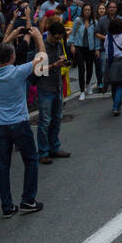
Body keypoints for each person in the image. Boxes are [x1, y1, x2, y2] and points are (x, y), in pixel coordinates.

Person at [0, 14, 46, 216]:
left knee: (2, 166)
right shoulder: (17, 72)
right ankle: (28, 200)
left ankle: (7, 206)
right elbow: (41, 60)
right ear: (12, 57)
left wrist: (10, 35)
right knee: (31, 159)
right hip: (19, 123)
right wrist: (38, 37)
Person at [37, 19, 71, 164]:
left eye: (60, 38)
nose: (58, 40)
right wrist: (54, 65)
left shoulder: (59, 45)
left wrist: (63, 61)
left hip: (57, 86)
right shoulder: (42, 47)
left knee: (57, 119)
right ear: (50, 34)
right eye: (57, 37)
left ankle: (54, 147)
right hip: (45, 87)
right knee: (45, 122)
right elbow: (38, 71)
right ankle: (43, 152)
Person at [103, 15, 122, 116]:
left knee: (114, 84)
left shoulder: (107, 37)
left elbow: (105, 47)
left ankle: (116, 103)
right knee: (121, 84)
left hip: (110, 61)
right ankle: (116, 105)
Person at [69, 3, 98, 99]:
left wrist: (97, 49)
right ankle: (82, 91)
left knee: (90, 69)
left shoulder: (94, 22)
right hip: (79, 47)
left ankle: (88, 83)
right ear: (83, 11)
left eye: (89, 10)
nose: (87, 12)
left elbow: (96, 37)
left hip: (90, 48)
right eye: (85, 10)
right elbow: (73, 33)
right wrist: (72, 44)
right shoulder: (78, 20)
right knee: (81, 69)